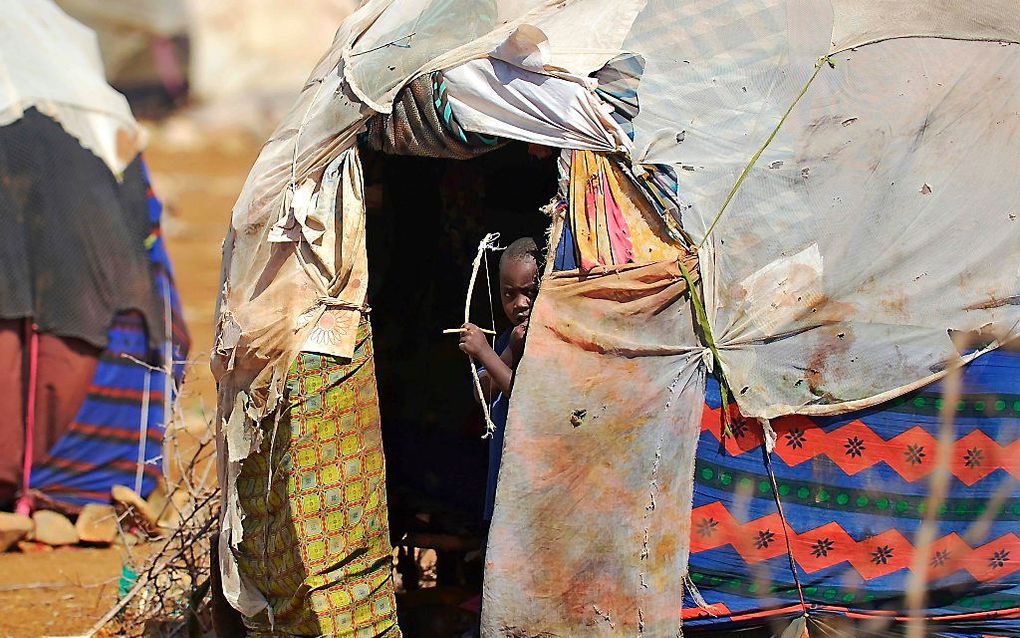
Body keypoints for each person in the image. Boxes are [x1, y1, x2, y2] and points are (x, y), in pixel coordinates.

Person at [458, 237, 540, 523]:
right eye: (509, 295)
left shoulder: (548, 341)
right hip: (504, 479)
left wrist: (483, 351)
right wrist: (505, 352)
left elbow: (525, 400)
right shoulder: (510, 339)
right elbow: (480, 391)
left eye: (530, 292)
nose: (520, 304)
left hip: (533, 481)